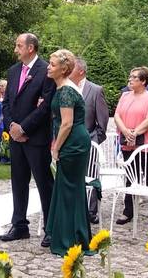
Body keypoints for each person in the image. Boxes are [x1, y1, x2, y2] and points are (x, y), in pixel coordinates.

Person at [0, 33, 56, 247]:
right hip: (16, 137)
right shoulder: (13, 71)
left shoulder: (46, 70)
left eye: (19, 45)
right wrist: (12, 127)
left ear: (31, 48)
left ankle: (50, 228)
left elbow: (45, 106)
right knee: (18, 182)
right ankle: (20, 225)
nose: (16, 49)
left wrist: (24, 127)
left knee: (44, 183)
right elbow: (6, 103)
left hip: (36, 137)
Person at [45, 49, 93, 256]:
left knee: (68, 189)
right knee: (69, 189)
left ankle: (70, 239)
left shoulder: (65, 91)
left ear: (63, 69)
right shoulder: (63, 88)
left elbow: (66, 124)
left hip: (73, 144)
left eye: (52, 64)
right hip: (73, 141)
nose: (48, 66)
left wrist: (55, 148)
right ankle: (73, 236)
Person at [113, 66, 148, 226]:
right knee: (129, 177)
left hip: (146, 144)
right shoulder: (125, 95)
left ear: (143, 81)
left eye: (134, 77)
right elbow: (117, 115)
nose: (130, 79)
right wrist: (126, 132)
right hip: (128, 142)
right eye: (130, 77)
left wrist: (135, 133)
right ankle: (128, 211)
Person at [69, 56, 108, 223]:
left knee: (90, 175)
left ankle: (91, 212)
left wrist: (94, 140)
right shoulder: (65, 88)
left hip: (88, 140)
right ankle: (72, 208)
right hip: (68, 141)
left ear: (81, 71)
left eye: (72, 68)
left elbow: (103, 120)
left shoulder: (96, 90)